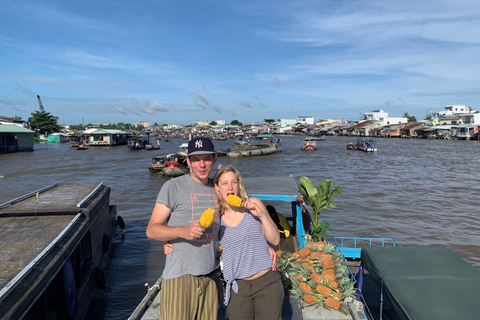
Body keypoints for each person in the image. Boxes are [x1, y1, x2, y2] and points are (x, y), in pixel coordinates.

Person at [146, 137, 220, 320]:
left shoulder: (219, 189)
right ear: (188, 161)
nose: (202, 164)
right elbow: (152, 230)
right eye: (196, 159)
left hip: (210, 276)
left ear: (215, 159)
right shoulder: (172, 186)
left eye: (207, 159)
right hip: (179, 277)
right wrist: (181, 232)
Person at [214, 165, 284, 320]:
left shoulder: (253, 203)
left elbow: (275, 239)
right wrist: (170, 242)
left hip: (267, 282)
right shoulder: (216, 217)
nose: (230, 187)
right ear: (217, 187)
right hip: (238, 288)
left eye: (234, 182)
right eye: (225, 183)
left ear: (239, 185)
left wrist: (261, 215)